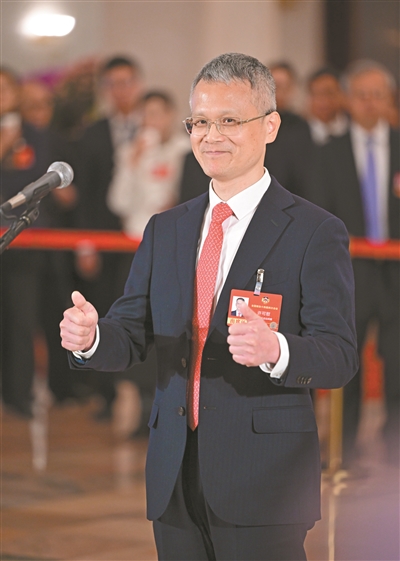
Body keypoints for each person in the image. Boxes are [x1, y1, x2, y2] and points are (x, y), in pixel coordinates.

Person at [60, 53, 357, 561]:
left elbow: (340, 354)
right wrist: (92, 339)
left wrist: (277, 349)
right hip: (174, 476)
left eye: (229, 120)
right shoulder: (166, 228)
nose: (210, 135)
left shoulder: (313, 231)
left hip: (264, 478)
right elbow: (131, 332)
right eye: (200, 122)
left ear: (269, 126)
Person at [308, 60, 400, 470]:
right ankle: (343, 451)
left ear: (389, 99)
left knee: (397, 361)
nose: (370, 102)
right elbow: (320, 212)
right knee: (348, 360)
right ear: (347, 99)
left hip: (396, 272)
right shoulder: (328, 152)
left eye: (378, 94)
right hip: (350, 272)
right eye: (362, 95)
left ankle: (395, 449)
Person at [73, 55, 145, 420]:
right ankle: (105, 393)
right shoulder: (93, 132)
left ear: (138, 84)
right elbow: (83, 194)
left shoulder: (154, 125)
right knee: (101, 308)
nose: (121, 91)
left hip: (144, 235)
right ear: (105, 90)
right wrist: (85, 243)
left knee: (143, 309)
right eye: (114, 84)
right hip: (102, 236)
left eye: (127, 82)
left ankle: (145, 394)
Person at [107, 90, 190, 238]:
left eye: (154, 114)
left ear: (170, 115)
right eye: (143, 115)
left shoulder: (185, 150)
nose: (149, 121)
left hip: (175, 233)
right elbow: (118, 203)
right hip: (136, 235)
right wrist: (132, 164)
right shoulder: (129, 151)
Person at [306, 67, 348, 146]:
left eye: (329, 93)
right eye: (318, 94)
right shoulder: (297, 135)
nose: (323, 100)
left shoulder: (354, 130)